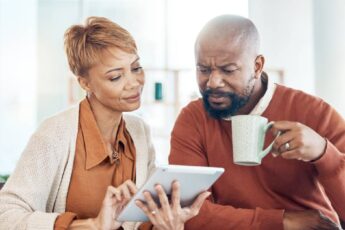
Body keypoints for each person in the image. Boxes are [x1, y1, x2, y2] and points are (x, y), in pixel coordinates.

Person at [0, 17, 209, 230]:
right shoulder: (55, 133)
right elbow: (6, 215)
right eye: (116, 77)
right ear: (85, 83)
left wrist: (167, 224)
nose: (134, 83)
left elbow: (139, 221)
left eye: (136, 68)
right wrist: (92, 225)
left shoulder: (139, 131)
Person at [169, 14, 345, 230]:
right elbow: (188, 213)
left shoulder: (313, 112)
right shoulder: (193, 119)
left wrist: (323, 153)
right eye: (203, 70)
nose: (213, 82)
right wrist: (281, 221)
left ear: (257, 65)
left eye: (228, 70)